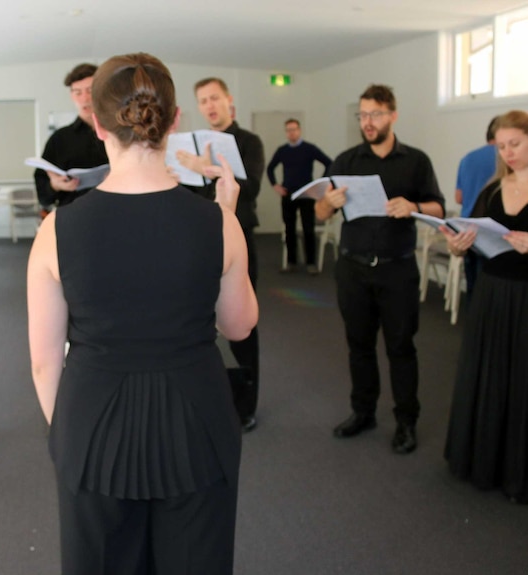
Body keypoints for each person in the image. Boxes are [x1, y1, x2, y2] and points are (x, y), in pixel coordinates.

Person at [28, 52, 258, 575]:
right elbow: (239, 325)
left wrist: (71, 435)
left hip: (92, 423)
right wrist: (227, 213)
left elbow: (45, 363)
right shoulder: (217, 223)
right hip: (197, 421)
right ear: (176, 121)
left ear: (97, 123)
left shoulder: (55, 231)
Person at [315, 84, 444, 454]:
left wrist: (414, 205)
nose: (367, 122)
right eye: (363, 115)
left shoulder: (416, 161)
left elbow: (438, 207)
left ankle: (406, 421)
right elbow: (321, 213)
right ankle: (363, 412)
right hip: (353, 268)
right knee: (359, 346)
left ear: (392, 116)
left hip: (397, 270)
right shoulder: (345, 161)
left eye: (375, 115)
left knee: (401, 347)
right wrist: (328, 203)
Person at [442, 110, 528, 503]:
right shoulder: (492, 190)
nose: (508, 152)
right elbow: (470, 238)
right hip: (493, 294)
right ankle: (486, 464)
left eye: (516, 143)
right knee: (491, 376)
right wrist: (458, 247)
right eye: (502, 146)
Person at [176, 77, 264, 432]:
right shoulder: (193, 145)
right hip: (198, 243)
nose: (210, 105)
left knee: (241, 328)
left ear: (230, 101)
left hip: (238, 241)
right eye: (203, 101)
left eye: (215, 98)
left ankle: (245, 408)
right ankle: (204, 401)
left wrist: (205, 171)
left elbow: (251, 188)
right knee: (197, 325)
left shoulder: (248, 142)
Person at [33, 63, 108, 209]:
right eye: (78, 92)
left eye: (90, 90)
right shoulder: (59, 139)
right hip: (73, 216)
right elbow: (43, 196)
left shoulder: (119, 134)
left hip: (116, 212)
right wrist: (54, 186)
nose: (84, 99)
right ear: (71, 95)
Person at [266, 118, 332, 274]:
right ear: (286, 132)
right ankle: (291, 262)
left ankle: (311, 263)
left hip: (307, 194)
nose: (291, 132)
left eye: (294, 129)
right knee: (289, 229)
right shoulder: (282, 150)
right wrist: (275, 185)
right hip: (288, 193)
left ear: (299, 130)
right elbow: (270, 168)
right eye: (288, 130)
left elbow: (329, 163)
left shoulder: (309, 149)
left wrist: (319, 185)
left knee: (308, 229)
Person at [454, 116, 498, 298]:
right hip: (494, 234)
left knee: (473, 288)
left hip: (467, 231)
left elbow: (459, 197)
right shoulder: (506, 159)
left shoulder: (468, 158)